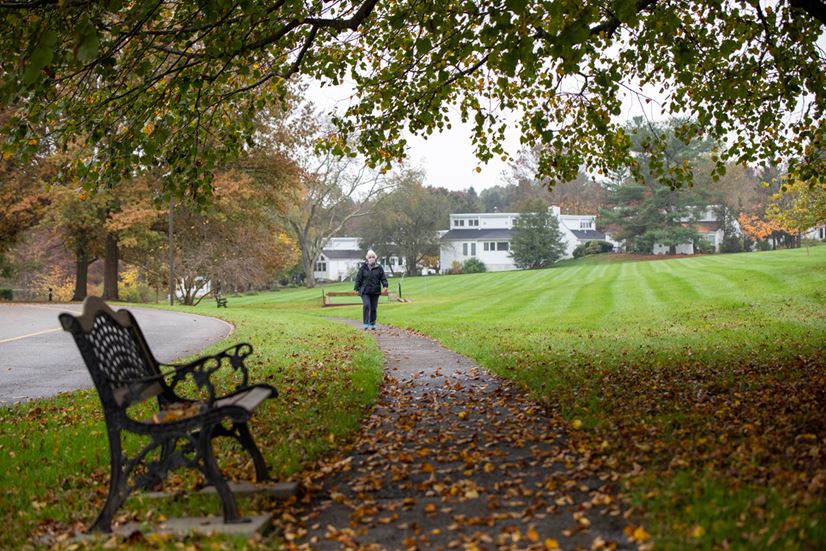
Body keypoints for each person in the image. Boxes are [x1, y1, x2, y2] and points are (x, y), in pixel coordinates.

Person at [354, 250, 388, 330]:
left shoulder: (379, 268)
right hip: (365, 291)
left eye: (373, 257)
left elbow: (383, 278)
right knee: (366, 305)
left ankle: (372, 323)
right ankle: (366, 323)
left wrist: (385, 286)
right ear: (367, 258)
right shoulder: (363, 268)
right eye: (370, 257)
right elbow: (358, 278)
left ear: (375, 258)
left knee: (373, 308)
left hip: (375, 291)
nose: (371, 258)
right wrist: (356, 288)